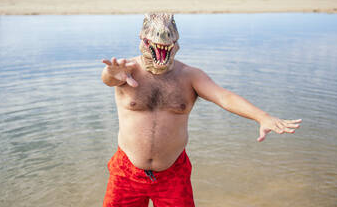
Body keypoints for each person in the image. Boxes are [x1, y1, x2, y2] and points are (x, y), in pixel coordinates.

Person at [101, 13, 301, 207]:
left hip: (173, 174)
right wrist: (111, 74)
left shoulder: (190, 76)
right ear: (143, 39)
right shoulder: (126, 70)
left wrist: (262, 117)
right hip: (126, 171)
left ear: (176, 43)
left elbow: (224, 97)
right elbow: (108, 78)